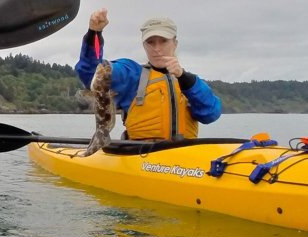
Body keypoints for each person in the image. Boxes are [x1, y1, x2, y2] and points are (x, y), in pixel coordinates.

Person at [75, 8, 221, 140]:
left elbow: (211, 114)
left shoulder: (190, 83)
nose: (157, 48)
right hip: (141, 155)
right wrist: (94, 34)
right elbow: (92, 72)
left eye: (163, 41)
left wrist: (183, 77)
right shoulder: (132, 74)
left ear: (175, 43)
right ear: (144, 45)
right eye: (151, 42)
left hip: (182, 156)